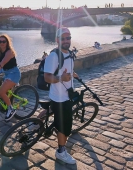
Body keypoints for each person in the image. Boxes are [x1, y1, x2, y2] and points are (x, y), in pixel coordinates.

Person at [44, 27, 79, 164]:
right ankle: (61, 151)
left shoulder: (69, 54)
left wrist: (72, 75)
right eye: (63, 38)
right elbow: (47, 77)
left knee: (62, 123)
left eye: (68, 37)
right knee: (64, 127)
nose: (66, 40)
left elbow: (67, 71)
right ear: (57, 40)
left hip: (66, 96)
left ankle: (39, 123)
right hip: (59, 98)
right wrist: (61, 78)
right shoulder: (54, 56)